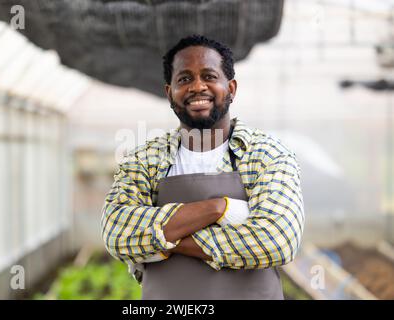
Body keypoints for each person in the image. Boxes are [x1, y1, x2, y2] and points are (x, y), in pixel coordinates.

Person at [101, 35, 304, 300]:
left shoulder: (267, 154)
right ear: (169, 93)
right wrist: (218, 208)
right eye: (184, 79)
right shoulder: (144, 160)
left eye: (209, 76)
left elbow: (277, 241)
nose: (197, 87)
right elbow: (116, 232)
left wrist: (165, 243)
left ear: (231, 88)